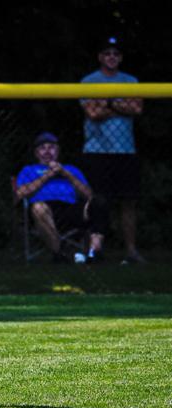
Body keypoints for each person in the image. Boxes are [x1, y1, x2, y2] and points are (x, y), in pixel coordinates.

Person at [80, 36, 144, 264]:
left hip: (125, 150)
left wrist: (106, 102)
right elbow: (93, 113)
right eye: (107, 53)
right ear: (100, 57)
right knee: (98, 200)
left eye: (116, 54)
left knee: (128, 201)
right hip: (97, 151)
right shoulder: (89, 81)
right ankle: (95, 250)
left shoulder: (131, 80)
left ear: (121, 57)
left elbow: (136, 108)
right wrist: (119, 105)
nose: (112, 57)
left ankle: (131, 251)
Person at [15, 132, 109, 263]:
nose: (47, 151)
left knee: (98, 202)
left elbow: (88, 195)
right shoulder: (29, 170)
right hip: (44, 212)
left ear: (58, 151)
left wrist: (65, 174)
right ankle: (60, 254)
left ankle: (94, 252)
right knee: (38, 208)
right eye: (43, 148)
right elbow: (20, 194)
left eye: (51, 147)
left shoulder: (71, 169)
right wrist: (48, 175)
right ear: (36, 153)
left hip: (70, 209)